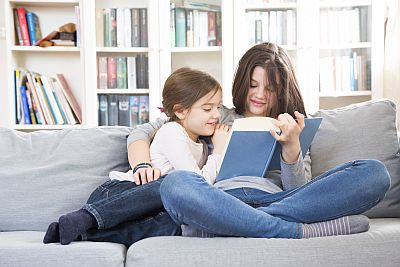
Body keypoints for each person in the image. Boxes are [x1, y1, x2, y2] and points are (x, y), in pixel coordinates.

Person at [128, 42, 391, 239]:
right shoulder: (213, 114)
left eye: (271, 88)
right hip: (220, 201)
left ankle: (230, 227)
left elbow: (298, 189)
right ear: (243, 82)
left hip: (281, 202)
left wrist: (292, 148)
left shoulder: (295, 126)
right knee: (176, 184)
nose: (260, 95)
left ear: (283, 89)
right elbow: (141, 133)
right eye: (253, 85)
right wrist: (141, 167)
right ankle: (293, 231)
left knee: (375, 173)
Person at [43, 67, 230, 246]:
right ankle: (87, 216)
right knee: (173, 184)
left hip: (143, 210)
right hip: (118, 195)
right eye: (207, 109)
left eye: (218, 107)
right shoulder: (172, 131)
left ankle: (80, 232)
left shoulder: (203, 146)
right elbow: (198, 186)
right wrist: (219, 151)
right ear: (180, 111)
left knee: (176, 224)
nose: (216, 114)